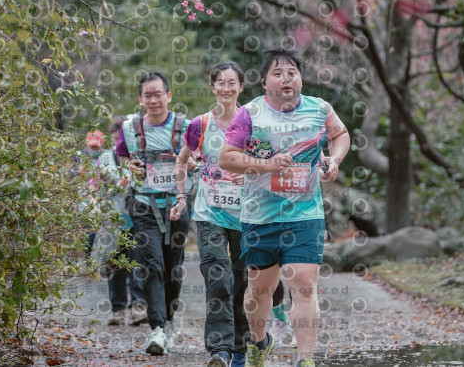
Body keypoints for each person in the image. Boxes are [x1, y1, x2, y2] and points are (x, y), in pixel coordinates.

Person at [219, 49, 350, 367]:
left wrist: (333, 160)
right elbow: (227, 157)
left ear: (301, 79)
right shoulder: (249, 113)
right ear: (265, 82)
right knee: (259, 292)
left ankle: (305, 360)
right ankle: (259, 342)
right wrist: (266, 165)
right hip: (259, 216)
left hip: (305, 215)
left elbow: (341, 135)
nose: (286, 78)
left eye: (292, 72)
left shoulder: (320, 109)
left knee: (304, 285)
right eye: (277, 73)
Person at [170, 62, 250, 367]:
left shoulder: (254, 123)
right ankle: (220, 350)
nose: (226, 88)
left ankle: (242, 348)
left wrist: (251, 171)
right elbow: (182, 161)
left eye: (232, 83)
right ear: (212, 87)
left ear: (241, 87)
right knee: (217, 279)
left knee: (243, 284)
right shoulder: (199, 124)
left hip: (247, 215)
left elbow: (269, 162)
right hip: (209, 214)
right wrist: (181, 197)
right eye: (221, 82)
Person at [115, 71, 194, 355]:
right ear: (140, 99)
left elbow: (199, 159)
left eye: (158, 94)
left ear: (168, 96)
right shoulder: (130, 127)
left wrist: (187, 162)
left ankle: (169, 321)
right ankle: (157, 329)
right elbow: (122, 156)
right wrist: (128, 167)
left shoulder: (186, 126)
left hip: (177, 204)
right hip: (144, 205)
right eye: (147, 95)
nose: (153, 100)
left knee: (173, 268)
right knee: (152, 266)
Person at [96, 116, 147, 327]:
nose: (119, 142)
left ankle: (138, 306)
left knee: (137, 262)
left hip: (137, 217)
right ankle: (117, 309)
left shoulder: (140, 156)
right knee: (115, 264)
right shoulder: (105, 159)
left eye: (123, 138)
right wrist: (128, 176)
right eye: (116, 138)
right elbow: (112, 186)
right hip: (114, 218)